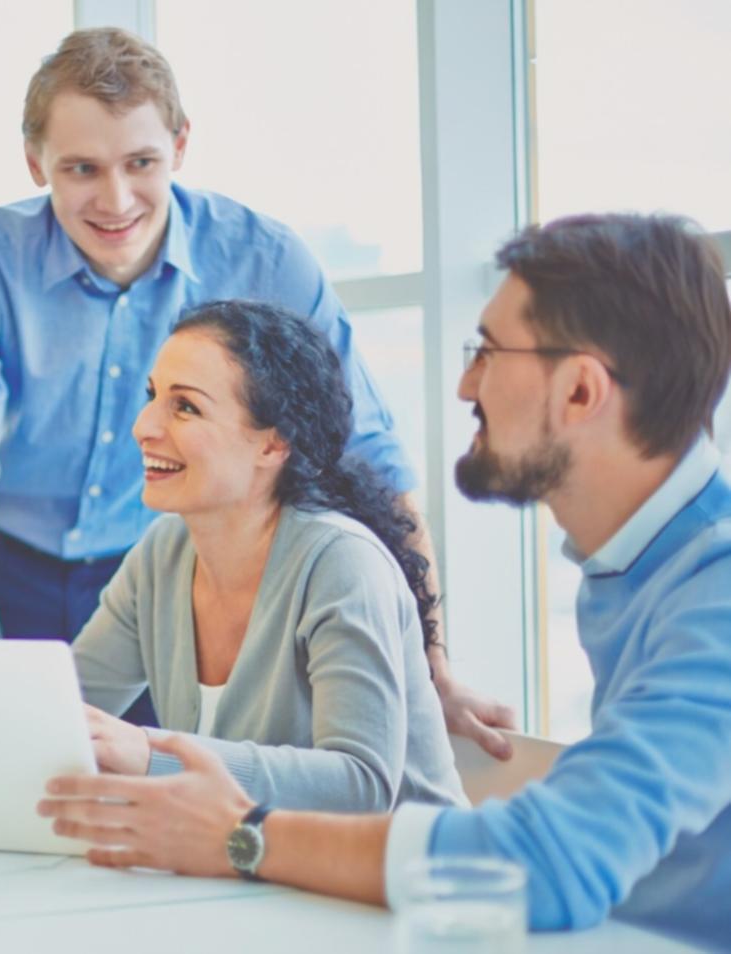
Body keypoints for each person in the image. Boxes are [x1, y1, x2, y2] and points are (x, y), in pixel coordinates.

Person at [38, 213, 731, 949]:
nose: (466, 383)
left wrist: (241, 836)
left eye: (489, 352)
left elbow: (546, 866)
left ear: (582, 392)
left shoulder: (713, 596)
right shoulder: (634, 569)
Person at [0, 27, 512, 752]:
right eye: (81, 169)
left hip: (179, 576)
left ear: (182, 147)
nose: (116, 199)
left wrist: (432, 670)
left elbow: (371, 463)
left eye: (141, 162)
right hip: (13, 569)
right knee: (6, 772)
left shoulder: (266, 258)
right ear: (35, 162)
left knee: (177, 792)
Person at [73, 300, 465, 811]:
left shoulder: (341, 563)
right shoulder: (160, 556)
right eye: (152, 396)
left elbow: (362, 787)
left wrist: (150, 754)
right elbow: (62, 715)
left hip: (404, 881)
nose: (143, 425)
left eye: (185, 406)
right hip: (263, 880)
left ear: (274, 444)